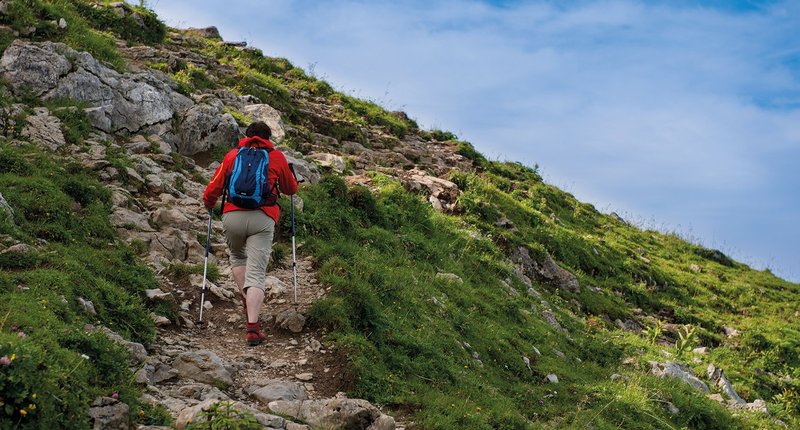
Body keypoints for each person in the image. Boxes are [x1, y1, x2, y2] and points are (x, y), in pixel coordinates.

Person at [203, 121, 298, 346]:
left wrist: (208, 203)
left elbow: (214, 187)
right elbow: (290, 189)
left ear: (247, 135)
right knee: (256, 274)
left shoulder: (232, 156)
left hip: (233, 216)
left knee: (237, 257)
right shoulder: (276, 157)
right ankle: (253, 329)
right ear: (268, 137)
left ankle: (247, 299)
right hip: (262, 218)